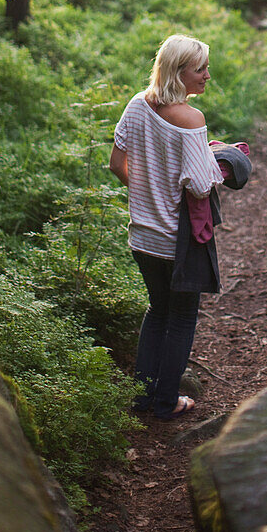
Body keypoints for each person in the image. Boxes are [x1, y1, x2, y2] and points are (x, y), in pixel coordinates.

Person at [109, 33, 224, 419]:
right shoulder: (192, 120)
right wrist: (216, 159)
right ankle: (165, 402)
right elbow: (199, 185)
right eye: (201, 68)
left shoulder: (137, 105)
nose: (208, 74)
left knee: (157, 311)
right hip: (178, 241)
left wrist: (146, 194)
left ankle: (142, 398)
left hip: (142, 235)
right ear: (179, 72)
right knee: (181, 318)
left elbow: (116, 163)